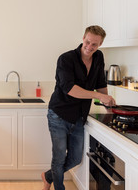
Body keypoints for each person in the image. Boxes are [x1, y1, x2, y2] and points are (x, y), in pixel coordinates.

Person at [41, 25, 116, 190]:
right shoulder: (66, 59)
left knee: (75, 158)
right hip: (58, 115)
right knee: (59, 158)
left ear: (100, 44)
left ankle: (48, 176)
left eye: (94, 44)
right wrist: (97, 95)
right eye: (88, 42)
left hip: (79, 117)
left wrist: (107, 101)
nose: (90, 47)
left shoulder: (98, 57)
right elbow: (70, 89)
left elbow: (100, 84)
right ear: (83, 38)